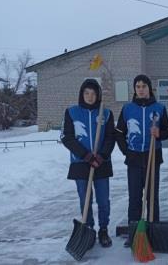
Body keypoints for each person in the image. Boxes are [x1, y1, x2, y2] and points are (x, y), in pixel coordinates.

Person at [115, 74, 168, 247]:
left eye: (143, 86)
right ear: (135, 89)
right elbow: (119, 133)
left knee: (152, 197)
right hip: (134, 157)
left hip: (152, 155)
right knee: (134, 197)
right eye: (137, 86)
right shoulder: (127, 109)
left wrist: (159, 134)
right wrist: (127, 151)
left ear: (149, 88)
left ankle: (153, 232)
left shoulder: (159, 108)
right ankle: (135, 234)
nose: (140, 89)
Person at [61, 78, 115, 247]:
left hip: (101, 163)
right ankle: (89, 229)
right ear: (81, 94)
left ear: (98, 95)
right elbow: (67, 137)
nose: (90, 97)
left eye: (93, 93)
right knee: (85, 199)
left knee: (103, 199)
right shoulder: (71, 112)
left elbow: (110, 137)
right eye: (86, 93)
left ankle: (103, 229)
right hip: (80, 163)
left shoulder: (105, 113)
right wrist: (85, 155)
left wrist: (101, 155)